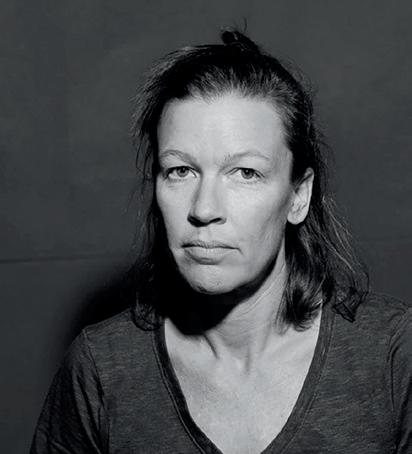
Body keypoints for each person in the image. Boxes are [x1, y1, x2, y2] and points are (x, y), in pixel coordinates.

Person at [31, 30, 411, 454]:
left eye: (245, 173)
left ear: (298, 196)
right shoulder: (102, 367)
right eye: (180, 171)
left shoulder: (393, 357)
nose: (204, 208)